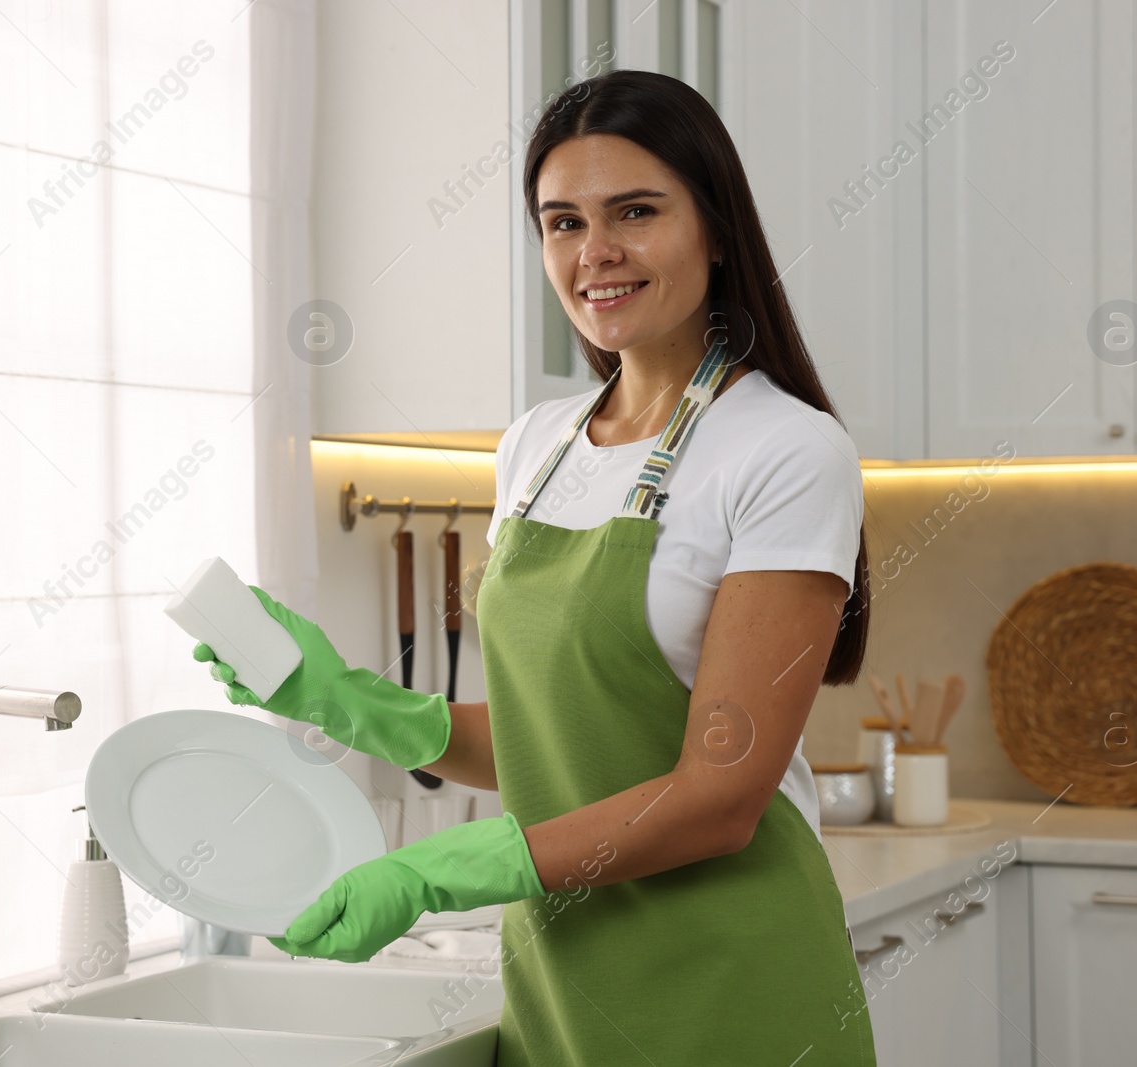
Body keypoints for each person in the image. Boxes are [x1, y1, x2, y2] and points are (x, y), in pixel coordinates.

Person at [195, 69, 877, 1066]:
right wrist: (347, 701)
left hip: (728, 977)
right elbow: (551, 746)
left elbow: (719, 796)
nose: (593, 252)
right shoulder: (535, 444)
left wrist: (445, 868)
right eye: (561, 222)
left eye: (634, 212)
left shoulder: (784, 450)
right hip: (561, 974)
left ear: (717, 229)